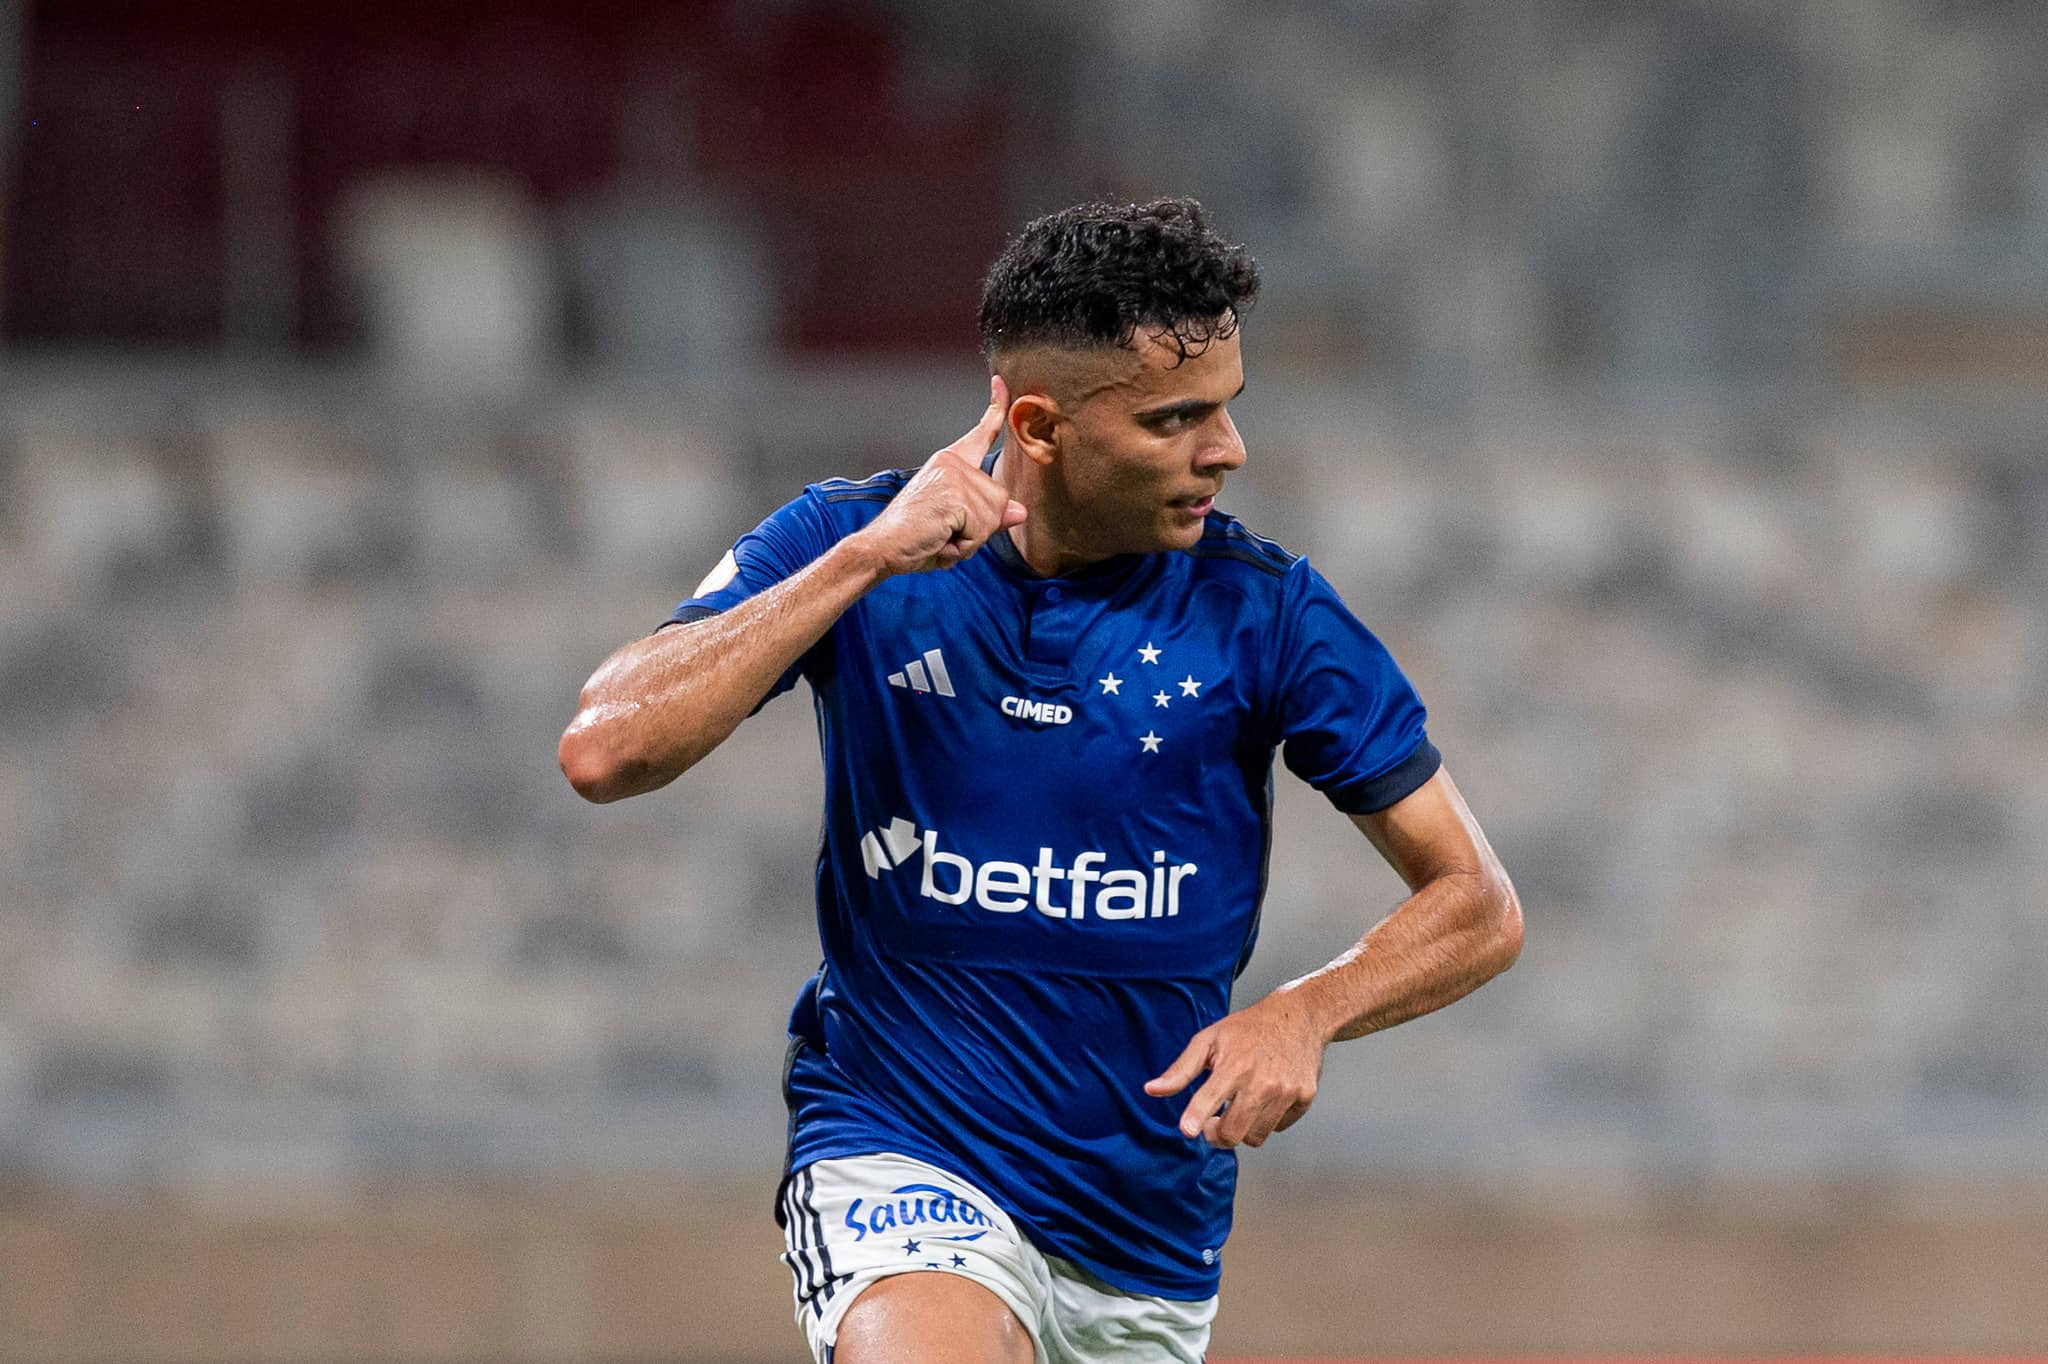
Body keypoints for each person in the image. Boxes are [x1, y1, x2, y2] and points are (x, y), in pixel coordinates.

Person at [558, 198, 1523, 1364]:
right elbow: (605, 747)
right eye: (1176, 419)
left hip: (1141, 1234)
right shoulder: (852, 542)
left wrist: (1303, 1010)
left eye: (1226, 409)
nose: (1226, 450)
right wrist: (863, 559)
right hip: (900, 1151)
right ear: (1039, 423)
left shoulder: (1266, 611)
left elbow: (1477, 901)